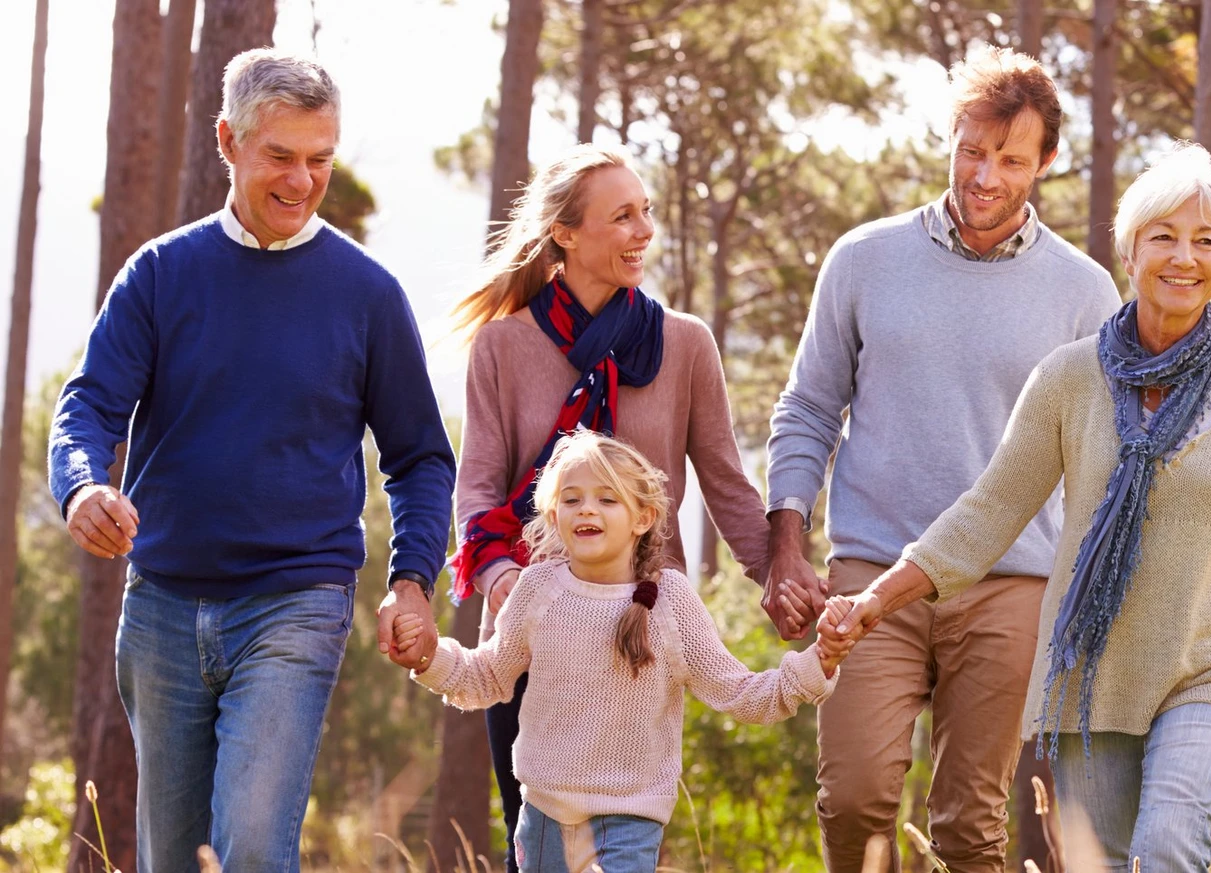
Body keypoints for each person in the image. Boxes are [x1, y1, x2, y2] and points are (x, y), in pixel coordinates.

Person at [818, 143, 1211, 871]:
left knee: (1168, 842)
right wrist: (878, 596)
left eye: (1207, 241)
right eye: (1164, 236)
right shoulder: (1068, 378)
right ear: (1131, 249)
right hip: (1094, 672)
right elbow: (988, 511)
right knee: (1105, 864)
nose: (1184, 257)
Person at [46, 49, 454, 871]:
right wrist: (83, 485)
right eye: (281, 156)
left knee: (257, 847)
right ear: (229, 141)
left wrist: (411, 579)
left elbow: (418, 456)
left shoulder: (368, 294)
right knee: (171, 857)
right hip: (161, 605)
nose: (303, 181)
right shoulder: (160, 274)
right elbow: (87, 406)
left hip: (296, 601)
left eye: (321, 160)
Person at [762, 47, 1122, 872]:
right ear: (951, 138)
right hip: (869, 574)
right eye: (971, 150)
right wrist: (785, 546)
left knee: (969, 824)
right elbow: (808, 408)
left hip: (1010, 586)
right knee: (853, 797)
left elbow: (1102, 465)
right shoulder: (863, 259)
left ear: (1046, 163)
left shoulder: (1085, 292)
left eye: (1010, 159)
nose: (985, 175)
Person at [446, 143, 788, 868]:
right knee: (533, 842)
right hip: (530, 624)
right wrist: (503, 578)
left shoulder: (685, 345)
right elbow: (476, 486)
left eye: (647, 213)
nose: (644, 232)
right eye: (623, 216)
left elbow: (728, 484)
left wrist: (779, 579)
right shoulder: (502, 347)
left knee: (626, 843)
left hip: (644, 627)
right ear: (566, 234)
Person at [393, 432, 844, 873]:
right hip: (544, 818)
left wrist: (815, 663)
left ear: (643, 517)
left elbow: (741, 693)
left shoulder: (669, 601)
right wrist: (429, 658)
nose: (587, 508)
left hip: (629, 823)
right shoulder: (537, 589)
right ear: (553, 513)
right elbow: (487, 678)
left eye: (607, 499)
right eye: (571, 499)